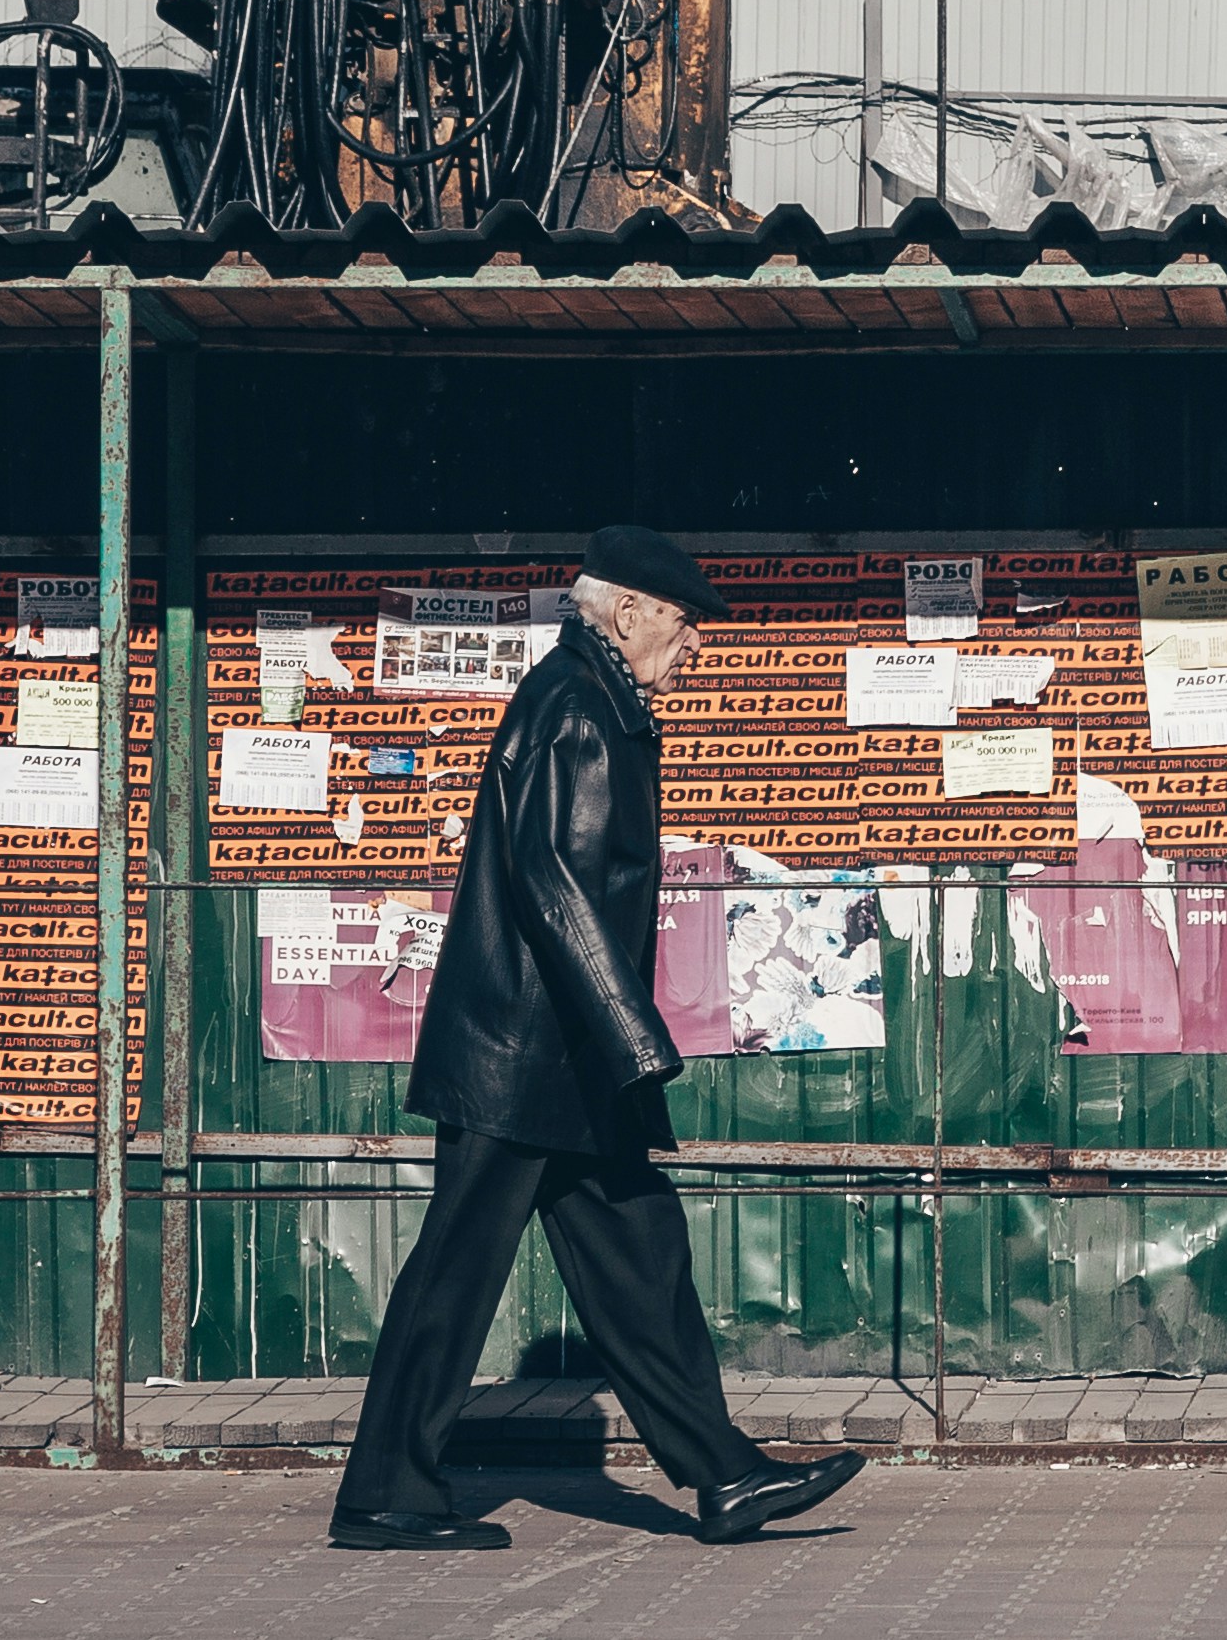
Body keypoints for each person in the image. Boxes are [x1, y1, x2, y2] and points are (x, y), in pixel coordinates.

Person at [329, 527, 862, 1554]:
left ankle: (726, 1475)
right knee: (456, 1270)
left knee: (639, 1258)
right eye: (685, 620)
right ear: (627, 611)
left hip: (560, 1057)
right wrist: (633, 1032)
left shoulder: (594, 699)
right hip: (524, 1054)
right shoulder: (577, 705)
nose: (694, 642)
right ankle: (385, 1492)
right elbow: (554, 881)